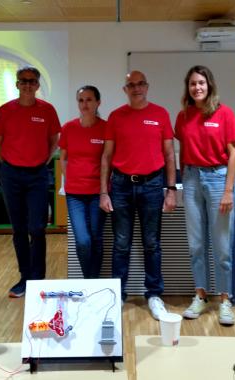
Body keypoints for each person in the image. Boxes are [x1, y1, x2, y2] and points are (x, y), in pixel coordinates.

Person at [100, 70, 177, 320]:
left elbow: (169, 154)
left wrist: (171, 189)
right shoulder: (115, 117)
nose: (136, 88)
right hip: (121, 185)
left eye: (140, 84)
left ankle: (154, 295)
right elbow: (107, 157)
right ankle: (117, 295)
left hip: (153, 185)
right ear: (125, 89)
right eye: (131, 85)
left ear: (147, 86)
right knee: (121, 244)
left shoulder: (160, 114)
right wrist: (104, 191)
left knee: (152, 244)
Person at [174, 65, 235, 325]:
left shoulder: (224, 113)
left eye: (201, 82)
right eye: (192, 83)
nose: (197, 87)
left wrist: (227, 190)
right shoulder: (183, 116)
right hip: (191, 180)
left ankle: (225, 300)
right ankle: (200, 295)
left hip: (218, 180)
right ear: (188, 87)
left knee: (222, 247)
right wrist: (184, 180)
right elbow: (183, 148)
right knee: (196, 245)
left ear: (209, 85)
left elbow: (234, 153)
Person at [0, 66, 61, 298]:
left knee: (37, 228)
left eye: (32, 81)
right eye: (23, 81)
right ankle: (25, 277)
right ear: (17, 84)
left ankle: (38, 278)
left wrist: (41, 161)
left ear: (38, 85)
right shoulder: (4, 111)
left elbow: (54, 140)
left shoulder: (48, 110)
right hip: (11, 174)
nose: (28, 85)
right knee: (19, 229)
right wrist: (11, 165)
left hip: (37, 175)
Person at [59, 85, 106, 278]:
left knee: (96, 238)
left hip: (98, 193)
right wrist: (70, 179)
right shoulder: (69, 128)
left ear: (98, 102)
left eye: (88, 99)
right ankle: (89, 280)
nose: (84, 104)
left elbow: (109, 159)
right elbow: (63, 157)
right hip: (75, 194)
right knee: (83, 241)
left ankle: (93, 282)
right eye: (81, 100)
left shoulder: (106, 128)